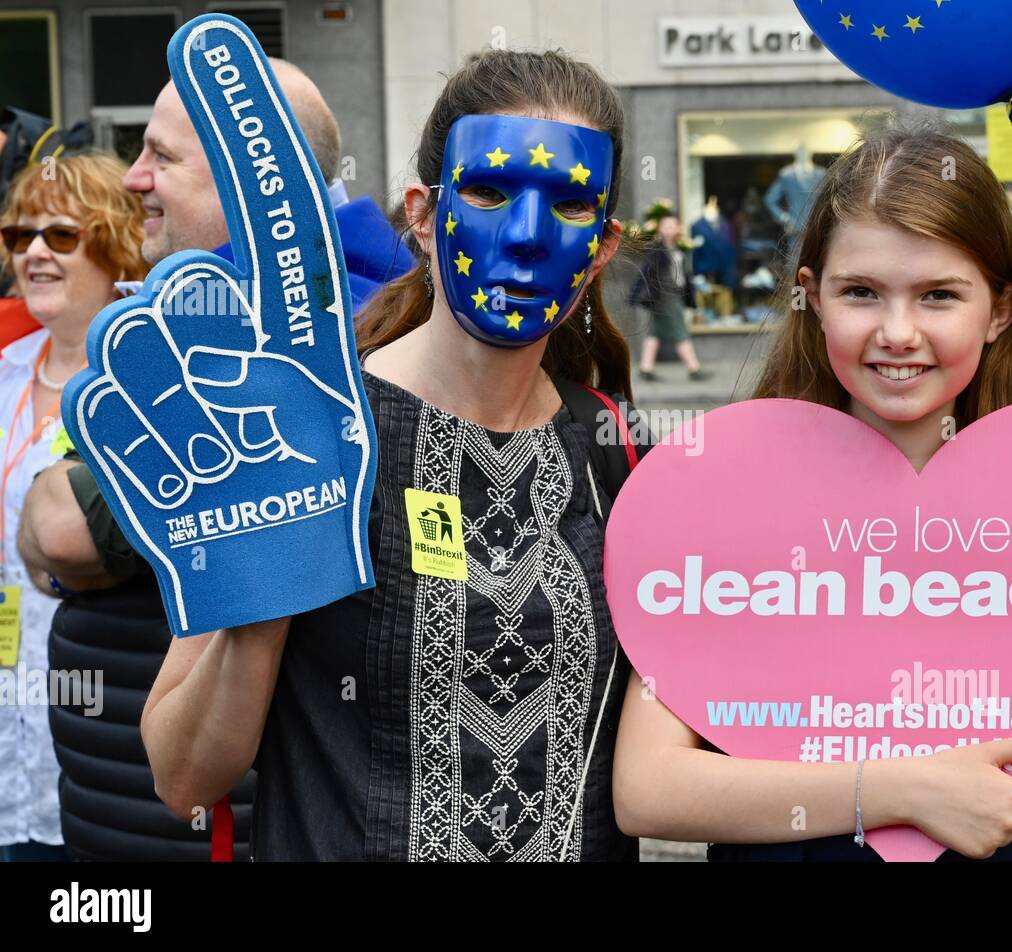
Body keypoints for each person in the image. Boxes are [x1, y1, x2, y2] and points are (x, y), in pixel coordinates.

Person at [612, 126, 1012, 862]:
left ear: (1000, 310)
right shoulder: (726, 497)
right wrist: (899, 790)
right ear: (812, 298)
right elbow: (649, 788)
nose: (898, 332)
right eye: (861, 292)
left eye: (938, 296)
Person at [140, 48, 653, 861]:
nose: (524, 237)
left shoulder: (613, 448)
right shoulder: (307, 428)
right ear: (422, 213)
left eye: (567, 205)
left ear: (602, 244)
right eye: (487, 192)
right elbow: (182, 775)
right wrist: (267, 591)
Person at [17, 59, 407, 862]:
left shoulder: (348, 335)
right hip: (120, 798)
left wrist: (83, 539)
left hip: (236, 824)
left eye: (163, 156)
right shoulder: (198, 310)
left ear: (259, 181)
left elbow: (60, 525)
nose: (134, 178)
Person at [0, 152, 148, 861]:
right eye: (16, 236)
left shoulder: (146, 383)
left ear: (116, 240)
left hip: (111, 740)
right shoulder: (3, 374)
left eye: (60, 235)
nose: (32, 252)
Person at [630, 211, 711, 383]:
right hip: (665, 297)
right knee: (680, 332)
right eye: (666, 226)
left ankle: (645, 368)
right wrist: (636, 294)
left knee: (655, 333)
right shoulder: (656, 250)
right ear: (660, 228)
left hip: (675, 295)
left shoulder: (677, 250)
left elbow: (684, 275)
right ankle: (693, 368)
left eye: (673, 226)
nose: (670, 229)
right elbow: (645, 273)